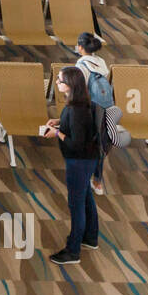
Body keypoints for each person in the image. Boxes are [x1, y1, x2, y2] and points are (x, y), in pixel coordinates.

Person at [42, 66, 101, 264]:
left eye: (59, 80)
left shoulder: (76, 109)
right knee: (86, 197)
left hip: (79, 162)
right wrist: (59, 122)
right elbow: (79, 126)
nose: (56, 82)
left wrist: (57, 133)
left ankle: (73, 250)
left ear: (70, 85)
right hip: (89, 159)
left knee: (76, 205)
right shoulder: (80, 103)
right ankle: (91, 238)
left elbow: (76, 143)